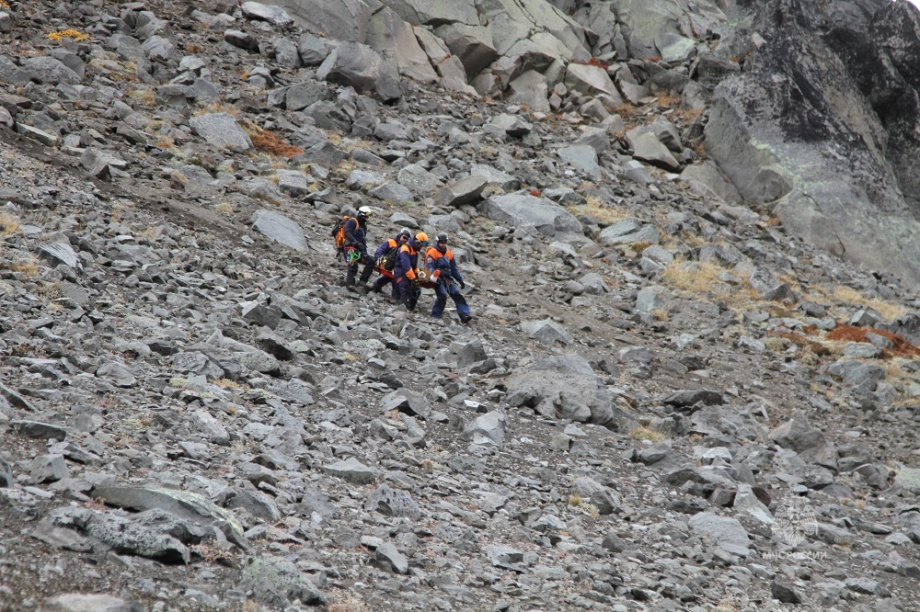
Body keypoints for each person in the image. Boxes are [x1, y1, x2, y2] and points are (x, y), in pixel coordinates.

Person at [425, 232, 472, 323]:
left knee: (457, 294)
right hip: (436, 278)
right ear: (437, 242)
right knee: (442, 295)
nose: (443, 244)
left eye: (445, 242)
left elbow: (454, 269)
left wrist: (460, 280)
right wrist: (434, 277)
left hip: (447, 278)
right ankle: (436, 315)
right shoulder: (432, 252)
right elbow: (429, 266)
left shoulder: (449, 253)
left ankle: (464, 314)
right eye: (441, 242)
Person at [369, 227, 411, 296]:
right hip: (386, 263)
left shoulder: (406, 249)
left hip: (396, 267)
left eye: (407, 239)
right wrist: (377, 259)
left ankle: (378, 285)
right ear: (400, 235)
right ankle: (395, 297)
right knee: (396, 278)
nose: (405, 240)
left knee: (396, 276)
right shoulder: (391, 242)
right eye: (404, 237)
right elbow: (380, 250)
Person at [341, 206, 374, 289]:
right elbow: (347, 233)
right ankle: (350, 284)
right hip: (349, 248)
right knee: (353, 264)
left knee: (371, 261)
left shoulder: (364, 226)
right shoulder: (352, 222)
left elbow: (363, 240)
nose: (367, 218)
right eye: (365, 216)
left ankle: (362, 282)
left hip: (359, 250)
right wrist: (354, 242)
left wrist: (364, 252)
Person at [393, 232, 428, 311]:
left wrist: (419, 275)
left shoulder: (415, 250)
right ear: (418, 242)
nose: (423, 247)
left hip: (409, 272)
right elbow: (406, 266)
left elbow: (414, 267)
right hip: (400, 271)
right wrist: (413, 279)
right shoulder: (405, 248)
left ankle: (411, 308)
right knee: (405, 287)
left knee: (417, 290)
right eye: (423, 244)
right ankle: (404, 308)